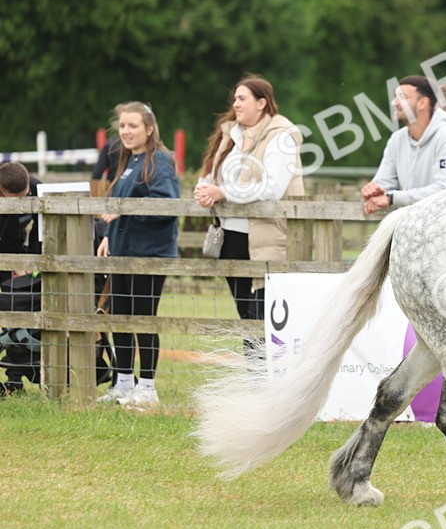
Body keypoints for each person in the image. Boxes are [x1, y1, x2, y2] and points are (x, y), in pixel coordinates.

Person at [194, 74, 304, 323]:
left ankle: (269, 364)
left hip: (263, 237)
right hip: (229, 235)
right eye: (235, 99)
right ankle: (251, 364)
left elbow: (271, 188)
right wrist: (203, 189)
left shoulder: (282, 135)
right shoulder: (230, 135)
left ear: (262, 103)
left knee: (262, 316)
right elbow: (212, 174)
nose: (235, 104)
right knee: (246, 316)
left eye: (242, 99)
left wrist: (223, 193)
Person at [96, 102, 180, 408]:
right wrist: (108, 236)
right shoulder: (127, 160)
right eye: (122, 126)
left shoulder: (160, 161)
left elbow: (167, 205)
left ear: (149, 128)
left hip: (149, 254)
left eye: (133, 126)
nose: (126, 131)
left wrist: (124, 214)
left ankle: (147, 387)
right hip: (121, 251)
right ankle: (123, 382)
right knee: (119, 316)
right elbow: (116, 205)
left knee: (144, 318)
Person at [360, 75, 446, 215]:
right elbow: (384, 182)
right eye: (395, 97)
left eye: (402, 97)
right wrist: (375, 191)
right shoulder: (397, 139)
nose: (394, 103)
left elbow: (444, 191)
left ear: (422, 103)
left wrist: (392, 198)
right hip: (416, 228)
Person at [0, 162, 42, 286]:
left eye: (25, 196)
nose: (21, 204)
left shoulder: (36, 189)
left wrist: (32, 257)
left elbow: (41, 225)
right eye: (15, 200)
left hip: (18, 244)